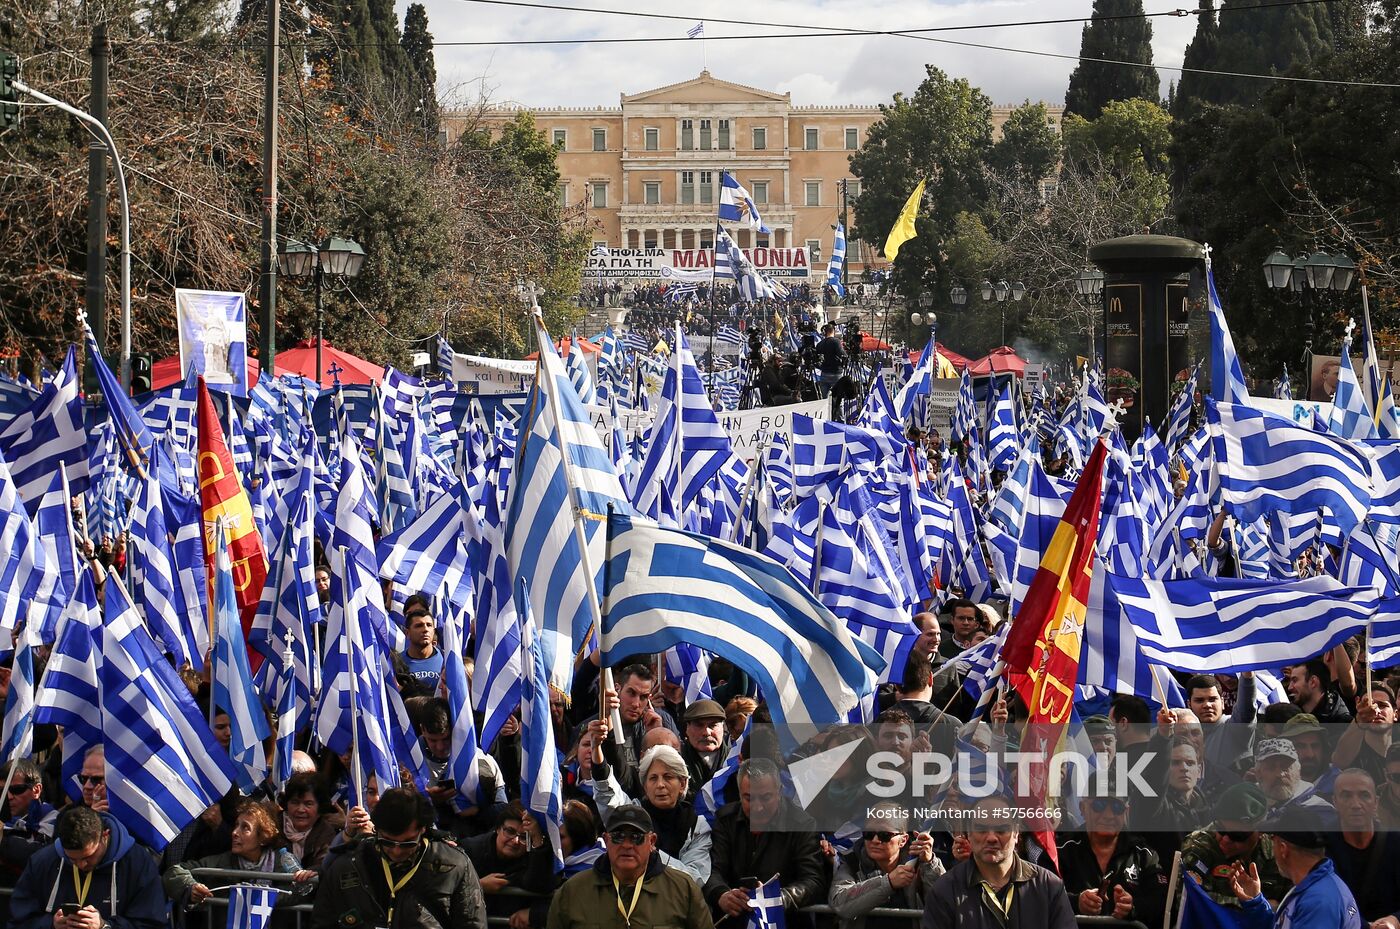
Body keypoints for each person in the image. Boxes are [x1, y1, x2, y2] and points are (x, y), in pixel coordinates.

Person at [312, 787, 487, 929]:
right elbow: (323, 921)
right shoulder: (348, 865)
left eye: (407, 844)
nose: (396, 851)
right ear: (376, 830)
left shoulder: (455, 864)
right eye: (387, 842)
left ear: (423, 830)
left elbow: (472, 923)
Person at [545, 804, 712, 929]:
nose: (626, 845)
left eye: (636, 837)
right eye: (618, 837)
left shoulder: (683, 889)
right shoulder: (573, 891)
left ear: (652, 841)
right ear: (606, 839)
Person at [922, 796, 1076, 929]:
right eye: (982, 830)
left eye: (1001, 830)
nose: (991, 838)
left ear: (1016, 833)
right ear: (968, 833)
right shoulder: (945, 890)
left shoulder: (1049, 886)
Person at [705, 758, 827, 922]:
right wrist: (721, 894)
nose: (758, 807)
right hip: (735, 920)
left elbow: (813, 880)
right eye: (749, 798)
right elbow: (712, 869)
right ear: (739, 794)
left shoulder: (802, 824)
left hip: (784, 920)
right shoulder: (726, 819)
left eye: (766, 798)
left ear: (780, 791)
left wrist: (775, 899)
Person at [9, 805, 165, 929]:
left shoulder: (137, 863)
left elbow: (152, 923)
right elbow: (18, 921)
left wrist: (104, 926)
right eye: (72, 859)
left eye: (88, 857)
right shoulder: (44, 861)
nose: (81, 865)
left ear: (105, 836)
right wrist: (51, 925)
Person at [588, 741, 711, 883]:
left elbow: (695, 878)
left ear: (682, 784)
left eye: (668, 777)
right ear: (645, 786)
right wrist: (596, 750)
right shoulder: (632, 814)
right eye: (653, 778)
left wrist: (652, 853)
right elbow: (608, 796)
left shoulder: (697, 826)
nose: (660, 785)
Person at [162, 800, 315, 907]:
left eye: (245, 828)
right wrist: (191, 887)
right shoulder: (223, 861)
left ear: (263, 837)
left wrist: (261, 898)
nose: (234, 833)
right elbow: (174, 872)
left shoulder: (283, 862)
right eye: (236, 825)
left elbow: (304, 891)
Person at [1227, 810, 1363, 929]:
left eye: (1273, 839)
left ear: (1283, 849)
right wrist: (1255, 902)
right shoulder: (1314, 887)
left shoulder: (1318, 902)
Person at [829, 803, 944, 929]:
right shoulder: (853, 861)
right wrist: (888, 883)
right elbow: (839, 903)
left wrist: (930, 864)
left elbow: (945, 902)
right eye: (869, 834)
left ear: (903, 840)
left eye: (885, 835)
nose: (875, 840)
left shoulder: (921, 862)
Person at [1058, 793, 1165, 926]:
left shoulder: (1144, 854)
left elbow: (1161, 902)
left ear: (1126, 811)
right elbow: (1044, 897)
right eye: (1099, 805)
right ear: (1083, 808)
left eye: (1117, 807)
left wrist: (1133, 907)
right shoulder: (1061, 851)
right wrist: (1076, 902)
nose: (1108, 815)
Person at [1180, 783, 1290, 908]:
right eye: (1221, 829)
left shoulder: (1277, 851)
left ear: (1260, 832)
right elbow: (1190, 899)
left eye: (1237, 835)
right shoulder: (1199, 846)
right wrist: (1255, 906)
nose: (1225, 840)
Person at [279, 773, 345, 872]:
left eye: (308, 804)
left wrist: (309, 874)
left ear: (319, 807)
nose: (301, 809)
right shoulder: (272, 827)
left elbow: (323, 866)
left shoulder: (326, 833)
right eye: (295, 802)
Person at [679, 700, 729, 796]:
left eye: (713, 725)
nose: (706, 732)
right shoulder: (677, 761)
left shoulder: (734, 761)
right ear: (687, 728)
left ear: (723, 728)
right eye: (699, 725)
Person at [395, 605, 444, 691]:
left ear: (433, 631)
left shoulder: (446, 659)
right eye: (419, 626)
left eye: (429, 625)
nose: (425, 629)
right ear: (407, 633)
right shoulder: (397, 663)